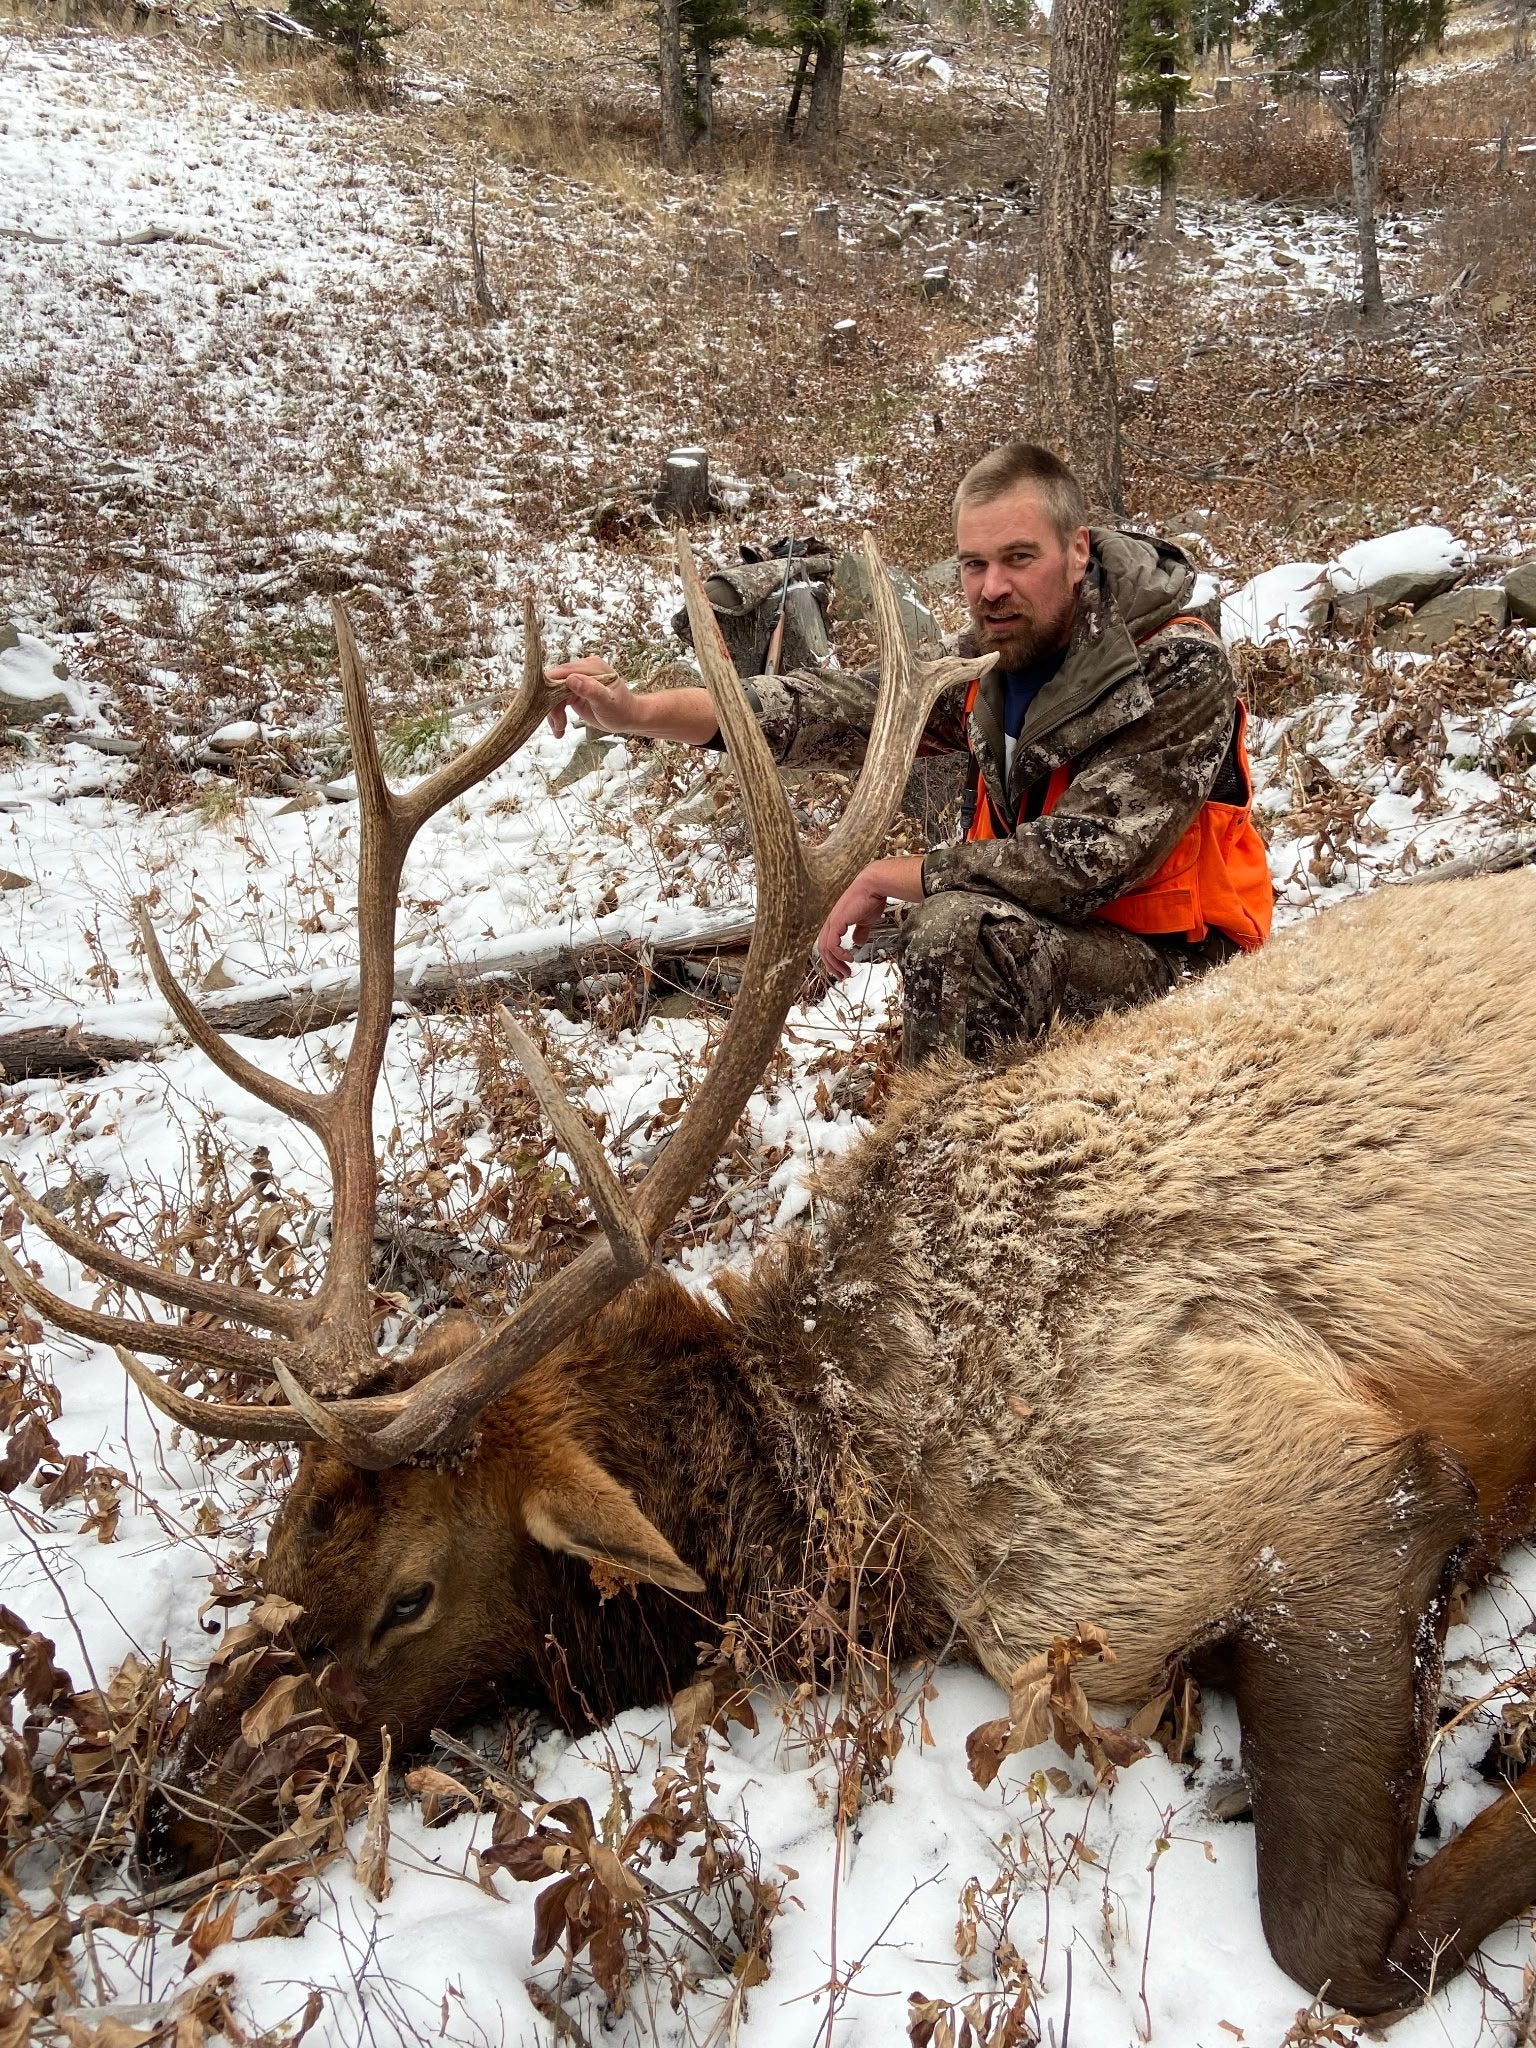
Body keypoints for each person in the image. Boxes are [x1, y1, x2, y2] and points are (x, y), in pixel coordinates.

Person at [546, 441, 1273, 1066]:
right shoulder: (993, 658)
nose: (992, 588)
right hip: (1052, 934)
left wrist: (897, 874)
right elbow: (837, 707)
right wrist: (639, 712)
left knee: (953, 931)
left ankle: (950, 1156)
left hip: (1178, 962)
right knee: (955, 922)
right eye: (973, 564)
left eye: (1019, 558)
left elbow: (1086, 860)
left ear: (1077, 550)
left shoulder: (1174, 666)